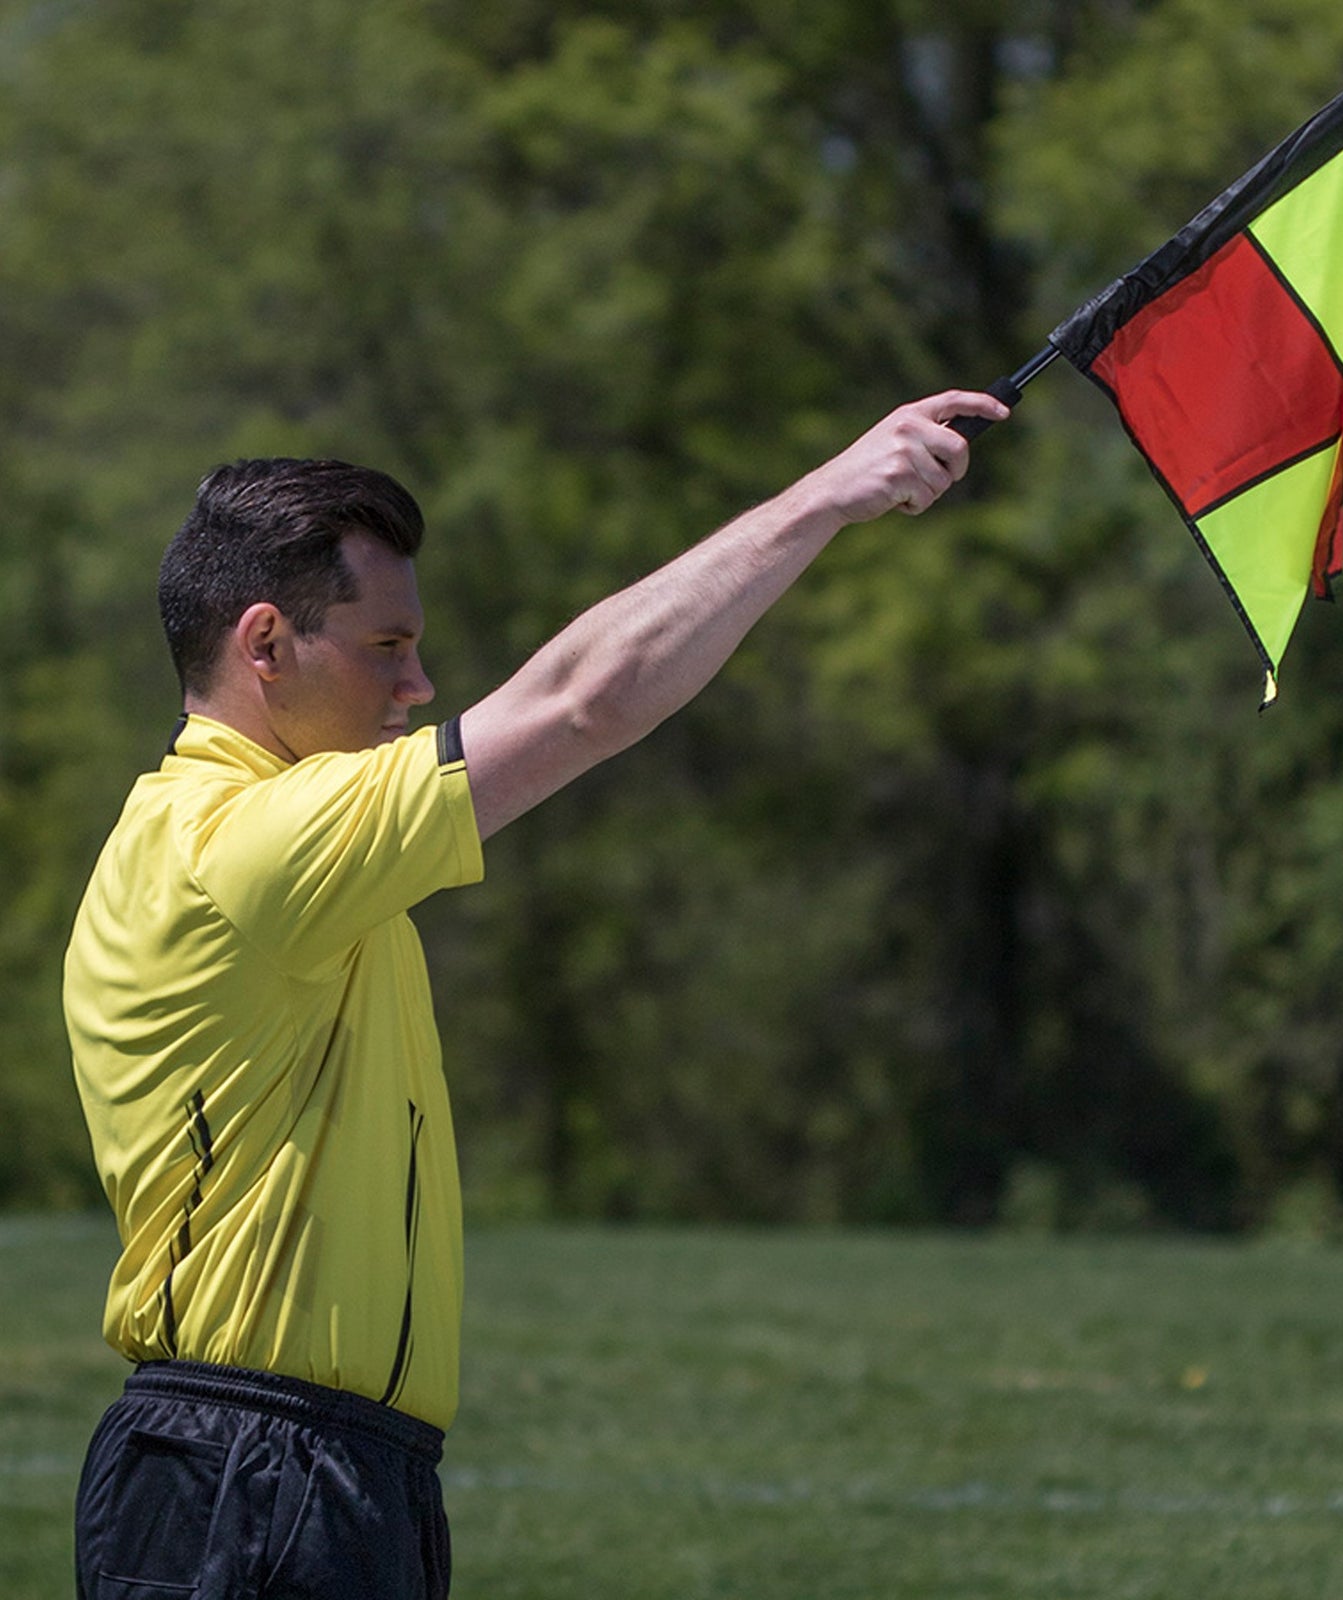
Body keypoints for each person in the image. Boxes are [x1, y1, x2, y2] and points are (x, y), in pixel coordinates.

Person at [62, 387, 1010, 1600]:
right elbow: (580, 701)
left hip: (298, 1464)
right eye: (388, 647)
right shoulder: (242, 847)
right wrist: (827, 497)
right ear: (263, 645)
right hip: (252, 1470)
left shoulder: (233, 840)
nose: (417, 685)